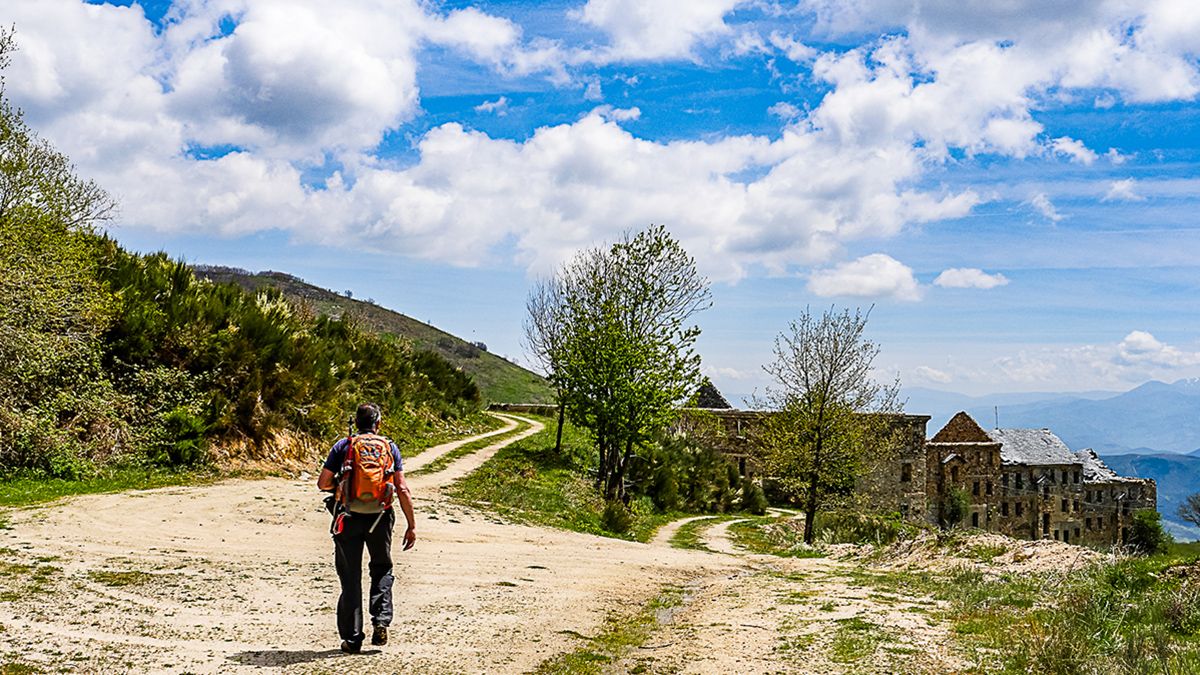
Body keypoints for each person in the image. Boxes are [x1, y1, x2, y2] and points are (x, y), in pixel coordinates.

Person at [317, 403, 417, 653]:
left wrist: (340, 488)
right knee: (382, 568)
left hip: (348, 517)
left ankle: (352, 639)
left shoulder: (344, 445)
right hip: (380, 517)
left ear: (356, 423)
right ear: (378, 424)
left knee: (350, 578)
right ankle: (381, 620)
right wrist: (411, 525)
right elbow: (402, 488)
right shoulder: (389, 447)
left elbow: (323, 483)